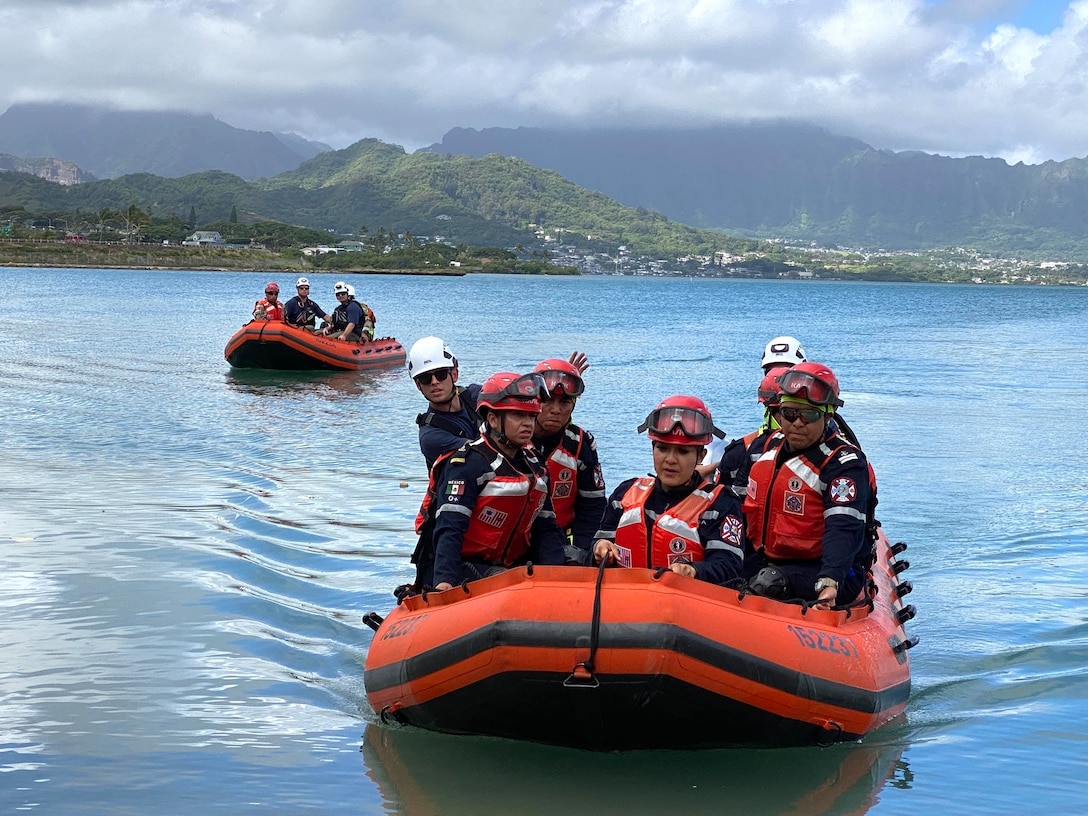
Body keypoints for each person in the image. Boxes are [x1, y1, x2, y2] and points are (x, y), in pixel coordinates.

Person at [741, 362, 875, 609]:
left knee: (767, 583)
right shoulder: (769, 447)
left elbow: (843, 526)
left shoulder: (843, 464)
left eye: (809, 415)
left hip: (823, 569)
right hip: (768, 559)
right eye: (789, 413)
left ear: (827, 415)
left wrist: (831, 579)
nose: (797, 423)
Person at [426, 371, 567, 591]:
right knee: (503, 579)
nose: (528, 424)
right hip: (467, 567)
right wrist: (444, 583)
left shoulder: (536, 467)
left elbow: (546, 528)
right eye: (518, 416)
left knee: (576, 559)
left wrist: (557, 578)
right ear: (492, 419)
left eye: (531, 416)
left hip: (515, 564)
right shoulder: (466, 465)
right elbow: (450, 528)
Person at [592, 395, 745, 585]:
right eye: (663, 449)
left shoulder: (721, 504)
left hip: (686, 606)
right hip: (626, 602)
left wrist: (693, 570)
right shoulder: (624, 494)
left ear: (701, 456)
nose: (670, 459)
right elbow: (599, 540)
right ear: (652, 449)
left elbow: (729, 565)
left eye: (683, 451)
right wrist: (599, 548)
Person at [531, 358, 607, 565]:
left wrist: (582, 552)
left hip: (560, 543)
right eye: (547, 400)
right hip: (514, 545)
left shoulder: (581, 444)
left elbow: (593, 507)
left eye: (564, 402)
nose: (555, 410)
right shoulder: (513, 439)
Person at [408, 336, 483, 470]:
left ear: (454, 374)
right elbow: (483, 454)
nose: (434, 382)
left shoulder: (475, 396)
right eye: (425, 378)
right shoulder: (431, 437)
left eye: (441, 374)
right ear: (418, 385)